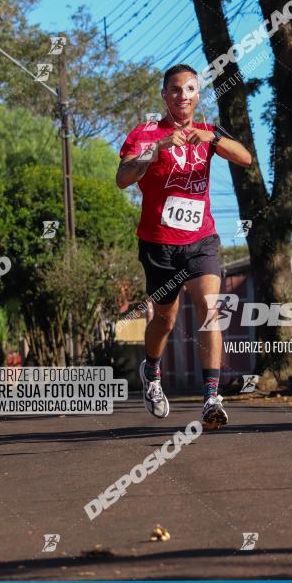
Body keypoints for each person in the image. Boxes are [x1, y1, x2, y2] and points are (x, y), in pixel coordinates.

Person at [117, 64, 252, 429]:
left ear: (198, 94)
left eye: (191, 89)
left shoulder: (208, 131)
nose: (183, 95)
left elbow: (245, 158)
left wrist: (214, 140)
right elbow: (122, 178)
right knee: (165, 318)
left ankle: (211, 397)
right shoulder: (146, 134)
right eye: (176, 89)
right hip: (159, 244)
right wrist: (157, 149)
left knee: (210, 309)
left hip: (201, 239)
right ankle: (153, 371)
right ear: (165, 95)